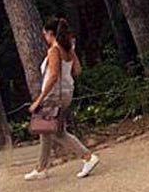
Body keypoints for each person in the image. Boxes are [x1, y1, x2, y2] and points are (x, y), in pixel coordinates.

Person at [24, 17, 100, 182]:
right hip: (66, 93)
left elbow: (52, 76)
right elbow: (78, 70)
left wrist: (39, 99)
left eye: (45, 34)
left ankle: (87, 156)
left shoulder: (54, 50)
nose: (44, 37)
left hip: (53, 96)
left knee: (56, 133)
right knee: (47, 131)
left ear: (50, 34)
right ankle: (41, 168)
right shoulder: (67, 50)